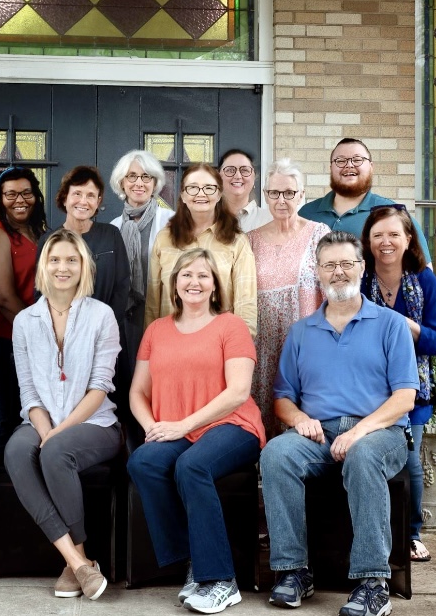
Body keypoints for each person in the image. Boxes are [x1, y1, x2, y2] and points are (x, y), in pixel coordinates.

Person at [260, 231, 418, 616]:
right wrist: (299, 419)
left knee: (363, 457)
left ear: (362, 268)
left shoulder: (391, 325)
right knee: (277, 454)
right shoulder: (301, 332)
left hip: (382, 431)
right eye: (329, 265)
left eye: (347, 263)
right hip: (319, 432)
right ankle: (293, 572)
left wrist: (358, 431)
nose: (339, 272)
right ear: (317, 272)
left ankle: (372, 582)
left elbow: (404, 398)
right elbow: (282, 398)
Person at [127, 248, 265, 614]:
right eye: (186, 274)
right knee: (143, 462)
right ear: (174, 285)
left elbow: (238, 392)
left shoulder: (230, 325)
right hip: (174, 429)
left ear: (215, 287)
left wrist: (183, 425)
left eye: (204, 275)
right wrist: (152, 427)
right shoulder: (157, 330)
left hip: (232, 426)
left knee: (192, 466)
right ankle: (194, 563)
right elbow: (137, 392)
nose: (194, 281)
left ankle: (222, 580)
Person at [5, 229, 122, 602]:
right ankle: (78, 560)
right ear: (43, 266)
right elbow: (28, 391)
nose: (63, 267)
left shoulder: (102, 316)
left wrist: (58, 433)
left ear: (83, 265)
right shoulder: (24, 321)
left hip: (95, 423)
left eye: (72, 259)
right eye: (55, 259)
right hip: (39, 417)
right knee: (15, 451)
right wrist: (44, 428)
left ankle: (75, 563)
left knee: (56, 451)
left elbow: (100, 387)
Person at [360, 204, 436, 564]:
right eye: (378, 234)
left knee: (409, 463)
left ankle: (411, 534)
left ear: (408, 238)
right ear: (367, 240)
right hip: (365, 391)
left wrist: (405, 327)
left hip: (413, 393)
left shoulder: (425, 280)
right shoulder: (360, 279)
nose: (386, 242)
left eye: (394, 234)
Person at [247, 159, 330, 439]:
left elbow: (331, 292)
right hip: (261, 349)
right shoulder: (249, 241)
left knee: (301, 425)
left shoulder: (320, 234)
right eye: (274, 193)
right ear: (266, 195)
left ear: (302, 194)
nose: (281, 200)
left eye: (289, 193)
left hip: (305, 347)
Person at [0, 166, 48, 469]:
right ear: (0, 198)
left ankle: (26, 483)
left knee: (38, 413)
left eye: (25, 192)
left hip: (42, 338)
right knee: (9, 414)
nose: (19, 200)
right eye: (10, 194)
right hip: (5, 337)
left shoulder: (41, 232)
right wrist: (44, 332)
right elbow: (6, 298)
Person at [145, 163, 257, 337]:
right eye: (193, 188)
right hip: (170, 343)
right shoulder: (164, 239)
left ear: (219, 194)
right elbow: (153, 303)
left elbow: (246, 304)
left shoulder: (237, 241)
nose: (201, 194)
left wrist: (239, 348)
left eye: (209, 188)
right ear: (182, 194)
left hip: (220, 344)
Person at [299, 137, 432, 264]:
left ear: (371, 167)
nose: (349, 165)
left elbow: (424, 272)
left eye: (357, 160)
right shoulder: (307, 213)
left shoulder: (394, 213)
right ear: (331, 168)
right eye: (340, 160)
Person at [39, 165, 130, 328]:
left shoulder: (111, 235)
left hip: (105, 330)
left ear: (98, 201)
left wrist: (107, 327)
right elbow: (41, 291)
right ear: (65, 197)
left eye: (90, 195)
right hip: (62, 332)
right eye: (77, 194)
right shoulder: (48, 241)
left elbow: (122, 287)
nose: (83, 201)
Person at [109, 150, 175, 372]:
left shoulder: (171, 221)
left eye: (146, 177)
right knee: (128, 378)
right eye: (132, 176)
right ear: (122, 182)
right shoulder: (114, 227)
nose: (139, 182)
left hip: (160, 314)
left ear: (154, 183)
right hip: (125, 319)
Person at [218, 149, 273, 232]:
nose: (238, 176)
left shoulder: (269, 220)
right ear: (218, 177)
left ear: (254, 178)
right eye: (230, 170)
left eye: (245, 170)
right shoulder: (206, 218)